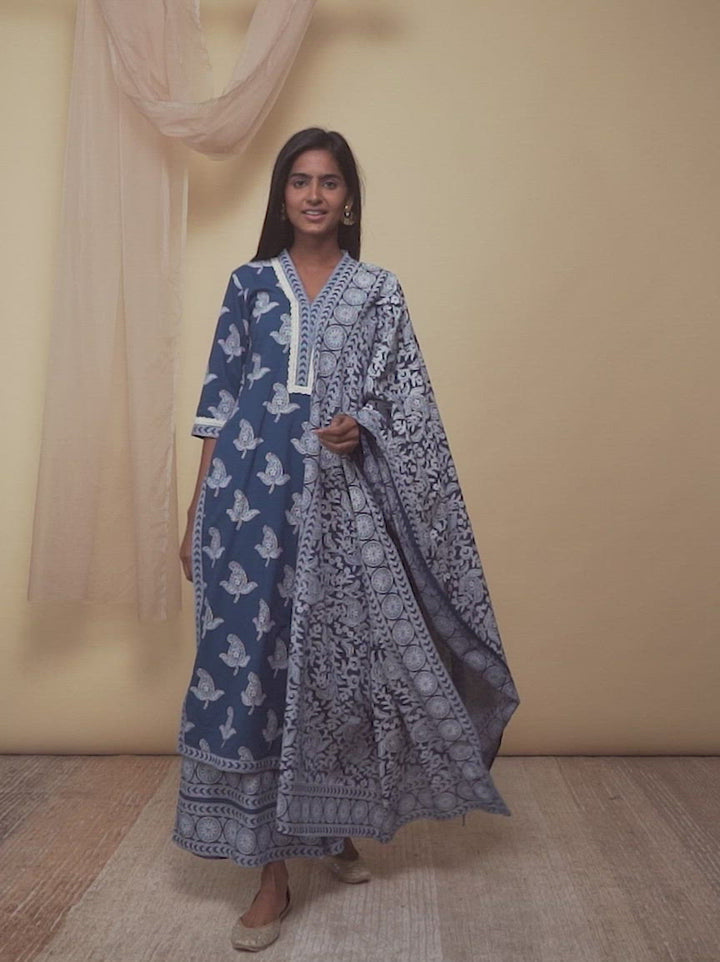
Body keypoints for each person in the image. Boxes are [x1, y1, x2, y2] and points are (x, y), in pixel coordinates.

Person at [173, 128, 519, 952]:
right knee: (253, 677)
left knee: (341, 673)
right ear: (282, 195)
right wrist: (195, 514)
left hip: (343, 511)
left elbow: (406, 399)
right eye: (300, 181)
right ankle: (271, 877)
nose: (314, 195)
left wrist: (361, 424)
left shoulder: (378, 291)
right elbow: (218, 404)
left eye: (329, 182)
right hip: (248, 508)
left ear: (349, 198)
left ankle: (332, 827)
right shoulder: (249, 285)